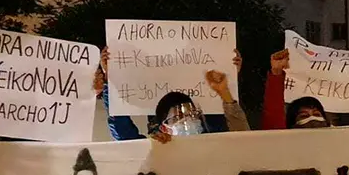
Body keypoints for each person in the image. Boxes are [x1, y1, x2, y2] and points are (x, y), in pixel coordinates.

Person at [97, 47, 248, 141]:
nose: (187, 120)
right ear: (164, 127)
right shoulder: (158, 152)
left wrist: (226, 85)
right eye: (177, 117)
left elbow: (242, 137)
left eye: (191, 114)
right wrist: (110, 80)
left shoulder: (215, 141)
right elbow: (124, 135)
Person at [259, 49, 331, 129]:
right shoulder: (285, 140)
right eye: (304, 116)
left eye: (317, 114)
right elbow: (273, 115)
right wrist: (277, 72)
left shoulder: (337, 138)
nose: (312, 118)